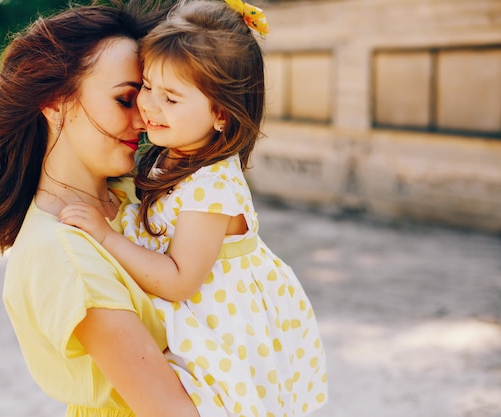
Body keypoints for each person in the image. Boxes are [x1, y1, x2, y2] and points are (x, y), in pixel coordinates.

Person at [59, 0, 329, 416]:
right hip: (200, 314)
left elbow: (180, 281)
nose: (149, 106)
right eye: (147, 86)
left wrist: (105, 235)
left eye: (171, 97)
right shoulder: (172, 152)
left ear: (220, 113)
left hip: (225, 326)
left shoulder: (212, 187)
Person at [0, 2, 202, 417]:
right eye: (126, 99)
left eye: (150, 99)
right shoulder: (65, 255)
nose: (145, 120)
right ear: (54, 100)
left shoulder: (139, 194)